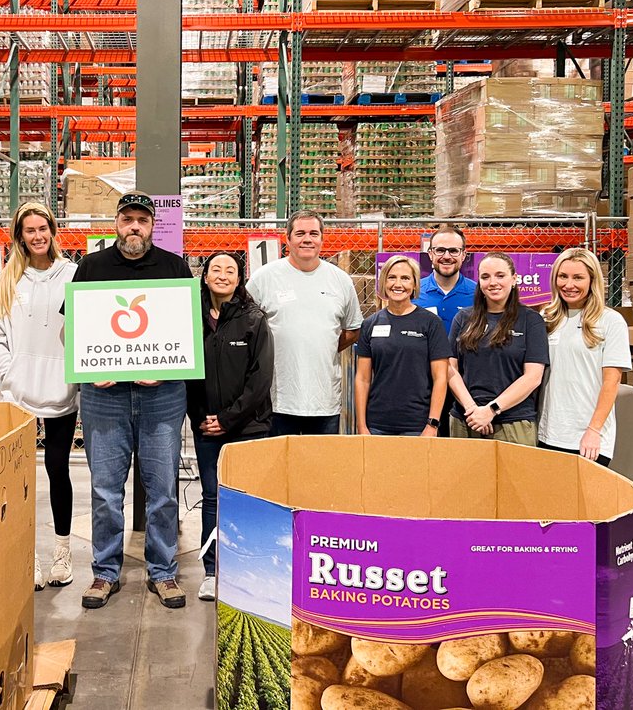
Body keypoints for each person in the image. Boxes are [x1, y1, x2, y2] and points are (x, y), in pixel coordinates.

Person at [72, 191, 194, 611]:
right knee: (106, 490)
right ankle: (105, 573)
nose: (135, 227)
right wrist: (90, 369)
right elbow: (72, 331)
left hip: (161, 394)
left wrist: (164, 368)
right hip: (105, 395)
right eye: (128, 219)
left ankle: (163, 573)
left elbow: (186, 331)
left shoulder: (173, 266)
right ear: (116, 224)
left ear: (152, 225)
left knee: (162, 489)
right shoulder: (91, 267)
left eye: (142, 220)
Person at [0, 202, 79, 591]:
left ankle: (62, 551)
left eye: (43, 228)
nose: (37, 236)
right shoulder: (7, 280)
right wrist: (10, 373)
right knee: (20, 477)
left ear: (53, 231)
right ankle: (29, 556)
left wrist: (75, 374)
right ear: (19, 235)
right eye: (29, 230)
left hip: (61, 391)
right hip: (18, 393)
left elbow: (86, 327)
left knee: (58, 469)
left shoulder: (73, 275)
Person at [186, 252, 274, 603]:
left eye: (231, 271)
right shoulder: (190, 318)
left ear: (240, 280)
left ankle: (248, 570)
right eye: (216, 270)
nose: (223, 275)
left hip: (249, 426)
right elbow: (185, 372)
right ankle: (213, 571)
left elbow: (261, 378)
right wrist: (201, 418)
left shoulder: (253, 320)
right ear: (205, 276)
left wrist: (228, 419)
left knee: (246, 499)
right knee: (213, 497)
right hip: (206, 425)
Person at [247, 210, 363, 436]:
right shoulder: (264, 278)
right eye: (300, 233)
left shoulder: (340, 281)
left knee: (319, 469)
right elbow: (244, 327)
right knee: (279, 468)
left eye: (313, 233)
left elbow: (352, 329)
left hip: (324, 401)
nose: (307, 239)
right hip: (277, 400)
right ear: (288, 238)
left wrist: (325, 345)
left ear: (322, 238)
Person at [539, 248, 631, 466]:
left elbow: (612, 381)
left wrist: (593, 430)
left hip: (588, 437)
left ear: (592, 280)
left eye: (578, 278)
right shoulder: (547, 318)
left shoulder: (611, 321)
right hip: (548, 432)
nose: (568, 285)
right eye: (563, 276)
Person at [446, 251, 549, 446]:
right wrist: (473, 409)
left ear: (514, 279)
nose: (493, 282)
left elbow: (533, 377)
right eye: (485, 277)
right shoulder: (463, 318)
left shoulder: (530, 321)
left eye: (500, 275)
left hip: (512, 423)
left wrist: (491, 410)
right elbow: (450, 368)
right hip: (465, 420)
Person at [354, 255, 450, 437]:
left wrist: (432, 424)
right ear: (383, 282)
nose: (398, 284)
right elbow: (363, 379)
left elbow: (440, 377)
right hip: (377, 425)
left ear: (414, 284)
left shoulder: (431, 323)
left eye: (405, 278)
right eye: (392, 277)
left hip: (418, 425)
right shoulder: (370, 324)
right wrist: (362, 427)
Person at [415, 223, 476, 337]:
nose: (447, 256)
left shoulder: (479, 294)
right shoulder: (414, 292)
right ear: (430, 254)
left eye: (453, 251)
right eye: (440, 250)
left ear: (463, 255)